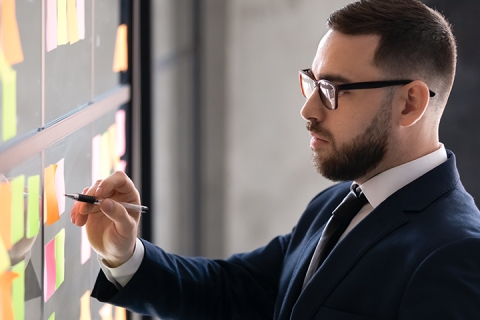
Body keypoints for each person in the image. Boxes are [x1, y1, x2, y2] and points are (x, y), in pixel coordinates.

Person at [71, 0, 480, 319]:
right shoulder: (336, 204)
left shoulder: (455, 254)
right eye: (313, 83)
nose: (309, 110)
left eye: (334, 90)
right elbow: (231, 292)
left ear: (410, 103)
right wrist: (124, 254)